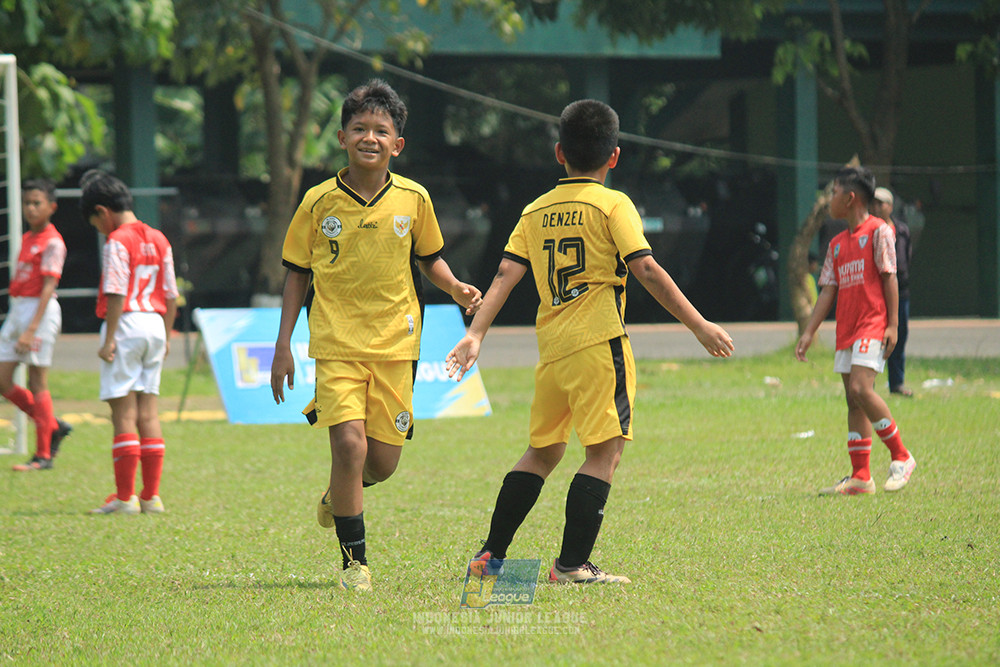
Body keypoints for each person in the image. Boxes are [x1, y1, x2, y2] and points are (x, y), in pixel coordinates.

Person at [446, 99, 734, 584]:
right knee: (604, 453)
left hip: (553, 352)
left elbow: (505, 274)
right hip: (600, 346)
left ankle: (489, 557)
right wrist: (699, 324)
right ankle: (571, 566)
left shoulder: (535, 209)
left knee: (543, 452)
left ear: (560, 153)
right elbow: (646, 268)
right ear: (614, 156)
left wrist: (475, 334)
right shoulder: (613, 204)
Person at [269, 79, 482, 592]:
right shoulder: (318, 202)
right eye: (360, 128)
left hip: (396, 345)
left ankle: (338, 493)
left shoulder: (414, 198)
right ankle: (355, 566)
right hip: (336, 345)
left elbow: (429, 259)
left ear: (397, 144)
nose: (370, 137)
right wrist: (283, 345)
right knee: (348, 445)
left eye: (381, 130)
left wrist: (455, 287)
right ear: (342, 137)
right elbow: (297, 273)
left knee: (381, 464)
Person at [795, 167, 916, 495]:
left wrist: (892, 324)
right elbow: (828, 290)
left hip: (872, 324)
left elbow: (889, 276)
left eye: (833, 192)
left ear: (850, 198)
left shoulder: (879, 231)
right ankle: (861, 476)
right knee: (853, 400)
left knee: (862, 388)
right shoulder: (836, 244)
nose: (829, 199)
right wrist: (809, 332)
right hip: (847, 329)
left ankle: (901, 456)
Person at [79, 170, 178, 515]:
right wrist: (166, 334)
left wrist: (109, 339)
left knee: (123, 412)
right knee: (148, 412)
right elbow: (171, 294)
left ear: (102, 211)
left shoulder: (117, 241)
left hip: (127, 324)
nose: (99, 229)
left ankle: (125, 498)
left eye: (95, 222)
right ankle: (151, 496)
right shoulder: (159, 238)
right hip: (155, 324)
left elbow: (116, 291)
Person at [2, 179, 72, 471]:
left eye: (37, 203)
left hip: (39, 312)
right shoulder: (28, 237)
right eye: (27, 203)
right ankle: (52, 425)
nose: (30, 208)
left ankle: (43, 455)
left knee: (37, 381)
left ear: (51, 207)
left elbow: (48, 287)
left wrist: (31, 329)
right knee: (3, 379)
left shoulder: (53, 241)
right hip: (19, 308)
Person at [871, 186, 913, 396]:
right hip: (876, 293)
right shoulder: (869, 231)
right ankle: (868, 385)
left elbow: (907, 255)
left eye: (881, 203)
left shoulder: (902, 230)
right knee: (873, 338)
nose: (877, 207)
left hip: (900, 292)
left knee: (899, 336)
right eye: (874, 203)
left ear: (890, 206)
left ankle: (897, 383)